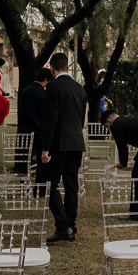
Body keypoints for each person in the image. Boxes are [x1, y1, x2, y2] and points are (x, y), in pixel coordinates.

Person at [39, 53, 86, 243]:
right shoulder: (80, 89)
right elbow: (81, 119)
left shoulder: (53, 86)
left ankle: (63, 225)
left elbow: (52, 119)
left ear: (51, 68)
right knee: (71, 185)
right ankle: (71, 225)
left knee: (48, 184)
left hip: (59, 143)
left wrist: (45, 148)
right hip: (76, 142)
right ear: (67, 67)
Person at [17, 67, 52, 184]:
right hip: (39, 131)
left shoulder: (24, 92)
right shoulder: (44, 94)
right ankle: (40, 187)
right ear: (46, 79)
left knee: (25, 159)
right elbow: (45, 114)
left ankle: (23, 185)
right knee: (42, 161)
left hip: (25, 130)